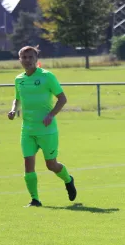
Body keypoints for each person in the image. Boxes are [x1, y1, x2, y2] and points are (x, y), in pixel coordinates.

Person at [8, 46, 77, 207]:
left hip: (47, 130)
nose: (27, 60)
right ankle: (35, 199)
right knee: (28, 164)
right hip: (28, 130)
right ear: (20, 60)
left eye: (30, 57)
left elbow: (62, 99)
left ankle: (68, 179)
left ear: (36, 58)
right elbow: (17, 99)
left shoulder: (47, 77)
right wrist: (13, 110)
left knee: (51, 165)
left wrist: (51, 115)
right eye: (24, 57)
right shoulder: (19, 79)